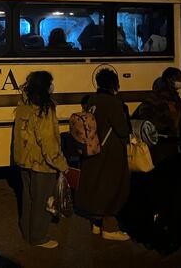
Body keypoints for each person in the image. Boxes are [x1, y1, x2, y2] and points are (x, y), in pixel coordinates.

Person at [13, 71, 69, 249]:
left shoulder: (24, 104)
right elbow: (48, 142)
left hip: (25, 161)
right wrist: (61, 164)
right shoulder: (44, 108)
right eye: (50, 83)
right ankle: (38, 237)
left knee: (28, 198)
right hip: (41, 163)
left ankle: (27, 231)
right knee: (42, 202)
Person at [75, 68, 131, 241]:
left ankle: (96, 225)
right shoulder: (114, 103)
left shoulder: (92, 99)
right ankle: (110, 228)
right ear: (113, 84)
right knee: (112, 188)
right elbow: (122, 130)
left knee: (96, 187)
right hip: (110, 153)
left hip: (94, 150)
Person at [133, 67, 181, 165]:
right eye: (178, 77)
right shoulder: (161, 97)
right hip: (162, 142)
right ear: (170, 79)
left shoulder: (173, 97)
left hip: (167, 141)